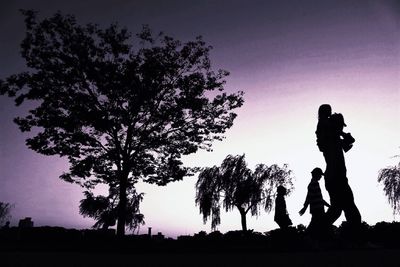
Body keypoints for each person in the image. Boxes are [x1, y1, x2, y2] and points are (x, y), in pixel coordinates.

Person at [315, 104, 361, 227]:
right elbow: (335, 132)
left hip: (335, 177)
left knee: (337, 210)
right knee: (348, 210)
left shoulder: (333, 139)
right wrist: (341, 132)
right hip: (336, 177)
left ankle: (314, 234)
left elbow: (350, 141)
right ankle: (357, 240)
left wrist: (341, 133)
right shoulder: (328, 133)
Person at [299, 168, 330, 237]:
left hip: (316, 209)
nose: (321, 177)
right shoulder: (314, 184)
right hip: (318, 209)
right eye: (320, 175)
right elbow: (309, 197)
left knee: (315, 226)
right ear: (317, 175)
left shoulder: (313, 184)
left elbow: (316, 198)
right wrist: (304, 208)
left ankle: (306, 239)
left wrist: (327, 205)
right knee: (317, 226)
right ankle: (304, 239)